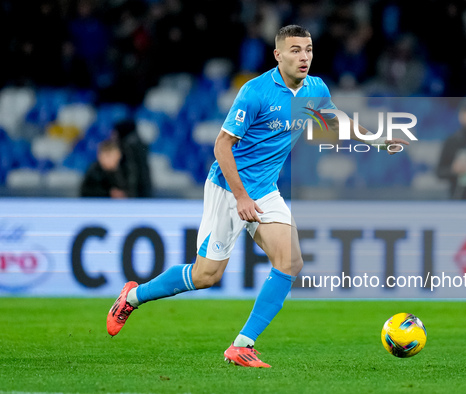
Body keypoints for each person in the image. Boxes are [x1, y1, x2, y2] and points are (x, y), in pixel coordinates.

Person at [106, 25, 409, 368]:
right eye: (295, 50)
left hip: (265, 189)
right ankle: (131, 297)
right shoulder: (255, 92)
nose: (304, 57)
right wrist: (240, 197)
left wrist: (377, 140)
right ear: (278, 55)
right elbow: (222, 145)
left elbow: (336, 120)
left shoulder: (314, 89)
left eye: (308, 49)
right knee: (207, 276)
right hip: (228, 187)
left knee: (291, 261)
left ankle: (242, 345)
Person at [112, 120, 152, 198]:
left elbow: (132, 171)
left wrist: (129, 192)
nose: (113, 135)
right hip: (143, 188)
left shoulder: (128, 147)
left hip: (134, 192)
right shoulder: (140, 143)